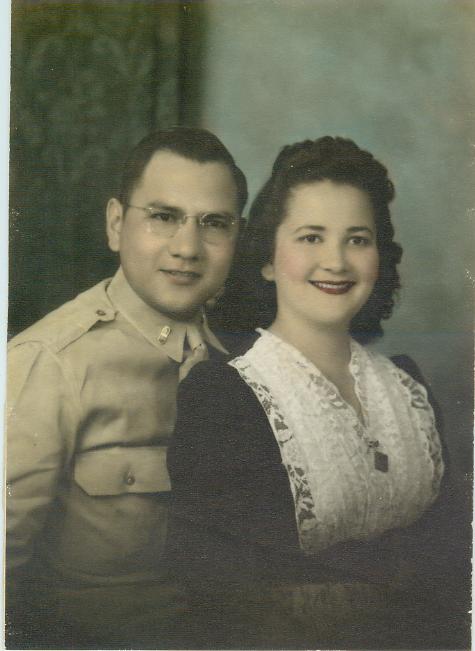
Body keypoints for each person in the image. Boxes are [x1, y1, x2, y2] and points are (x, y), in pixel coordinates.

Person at [164, 137, 466, 648]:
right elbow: (219, 600)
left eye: (357, 239)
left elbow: (454, 563)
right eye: (311, 237)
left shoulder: (409, 386)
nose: (336, 262)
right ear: (267, 258)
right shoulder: (224, 397)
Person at [6, 126, 247, 647]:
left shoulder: (239, 363)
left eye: (213, 224)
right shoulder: (50, 364)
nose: (187, 248)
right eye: (163, 216)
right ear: (116, 224)